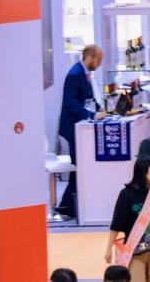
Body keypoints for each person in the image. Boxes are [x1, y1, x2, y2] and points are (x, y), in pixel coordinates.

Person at [106, 156, 150, 282]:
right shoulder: (126, 194)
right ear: (144, 171)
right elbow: (116, 224)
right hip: (134, 251)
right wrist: (108, 249)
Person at [57, 44, 105, 217]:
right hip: (73, 128)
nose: (100, 63)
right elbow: (71, 103)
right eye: (99, 59)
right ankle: (67, 206)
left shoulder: (84, 73)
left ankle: (70, 205)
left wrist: (99, 109)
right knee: (80, 165)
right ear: (89, 58)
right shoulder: (75, 74)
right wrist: (92, 115)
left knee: (81, 165)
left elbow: (88, 98)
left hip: (81, 127)